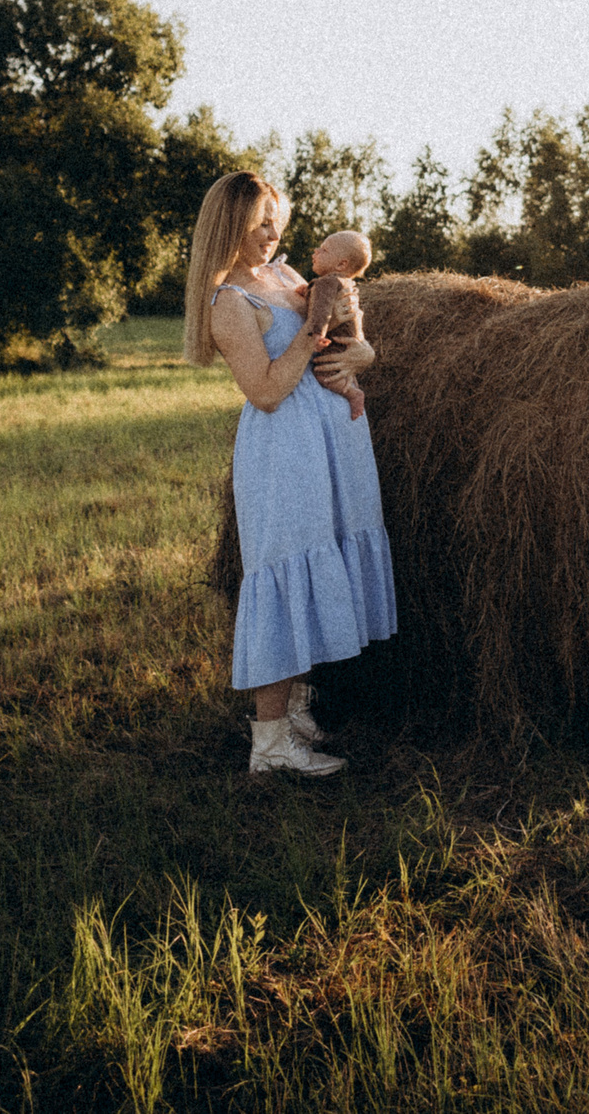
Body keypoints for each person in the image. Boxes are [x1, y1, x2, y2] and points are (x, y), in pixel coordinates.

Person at [183, 172, 393, 777]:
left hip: (331, 442)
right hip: (284, 450)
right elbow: (268, 390)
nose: (273, 234)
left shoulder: (282, 277)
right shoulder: (229, 300)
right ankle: (270, 745)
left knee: (316, 562)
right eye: (259, 223)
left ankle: (296, 713)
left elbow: (350, 338)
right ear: (231, 228)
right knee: (283, 572)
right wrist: (311, 333)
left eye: (277, 220)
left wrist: (363, 352)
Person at [301, 230, 372, 421]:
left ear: (341, 264)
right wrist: (307, 292)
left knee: (323, 374)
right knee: (344, 371)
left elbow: (322, 311)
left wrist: (317, 334)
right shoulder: (343, 283)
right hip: (350, 340)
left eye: (324, 250)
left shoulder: (327, 282)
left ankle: (352, 393)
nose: (316, 252)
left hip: (336, 340)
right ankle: (351, 386)